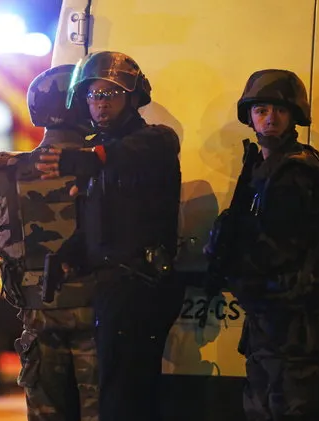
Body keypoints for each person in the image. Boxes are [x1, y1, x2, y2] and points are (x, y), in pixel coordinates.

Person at [35, 52, 183, 421]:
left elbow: (143, 149)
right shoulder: (99, 154)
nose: (100, 104)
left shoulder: (151, 142)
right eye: (93, 95)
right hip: (110, 288)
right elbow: (104, 220)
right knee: (114, 395)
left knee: (125, 399)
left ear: (133, 98)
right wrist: (73, 251)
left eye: (111, 94)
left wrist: (91, 157)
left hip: (140, 287)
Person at [205, 69, 319, 421]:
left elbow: (278, 249)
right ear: (250, 116)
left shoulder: (295, 171)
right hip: (277, 318)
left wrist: (233, 268)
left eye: (279, 111)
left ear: (294, 115)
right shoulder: (267, 165)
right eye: (261, 110)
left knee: (292, 406)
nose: (269, 118)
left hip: (295, 321)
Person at [0, 64, 99, 421]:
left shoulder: (10, 170)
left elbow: (2, 242)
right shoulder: (100, 164)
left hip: (38, 313)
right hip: (96, 312)